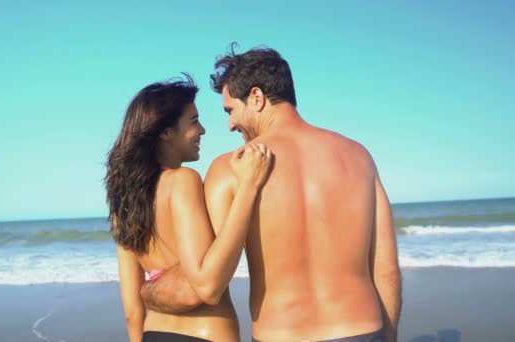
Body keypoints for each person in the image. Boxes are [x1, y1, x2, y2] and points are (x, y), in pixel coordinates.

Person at [140, 45, 402, 342]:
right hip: (363, 331)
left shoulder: (230, 169)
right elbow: (387, 268)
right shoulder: (359, 157)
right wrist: (389, 334)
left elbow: (203, 281)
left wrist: (148, 290)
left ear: (256, 98)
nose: (230, 125)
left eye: (230, 110)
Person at [105, 75, 273, 342]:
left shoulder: (122, 205)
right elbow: (209, 284)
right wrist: (249, 187)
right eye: (194, 122)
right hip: (205, 334)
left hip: (154, 333)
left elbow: (132, 310)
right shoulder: (183, 181)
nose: (203, 130)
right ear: (166, 132)